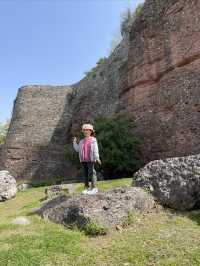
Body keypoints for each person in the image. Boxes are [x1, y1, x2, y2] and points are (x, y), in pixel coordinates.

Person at [72, 123, 101, 195]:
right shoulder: (82, 141)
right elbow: (77, 149)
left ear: (91, 131)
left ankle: (94, 188)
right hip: (83, 160)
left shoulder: (93, 140)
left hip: (90, 159)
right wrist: (74, 142)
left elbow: (95, 149)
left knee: (92, 173)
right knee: (85, 174)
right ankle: (87, 188)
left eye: (87, 130)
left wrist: (97, 157)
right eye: (84, 130)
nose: (85, 132)